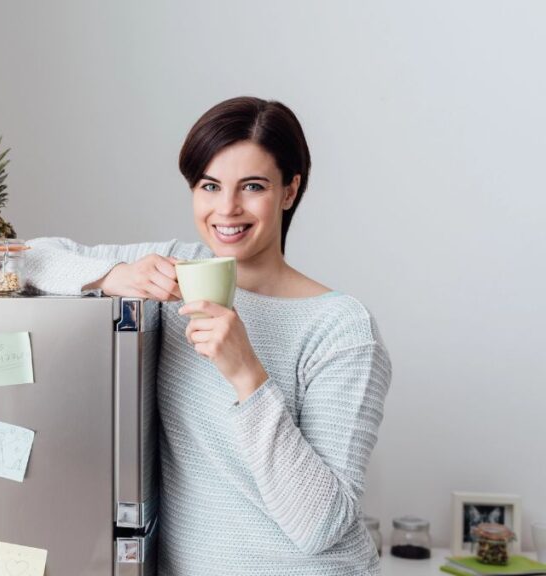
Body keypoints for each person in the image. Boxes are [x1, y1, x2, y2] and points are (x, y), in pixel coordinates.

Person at [23, 96, 392, 575]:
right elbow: (25, 255)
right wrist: (112, 275)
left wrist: (247, 375)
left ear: (289, 190)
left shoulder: (342, 328)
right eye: (210, 185)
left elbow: (322, 526)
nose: (227, 209)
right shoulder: (175, 266)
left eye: (252, 186)